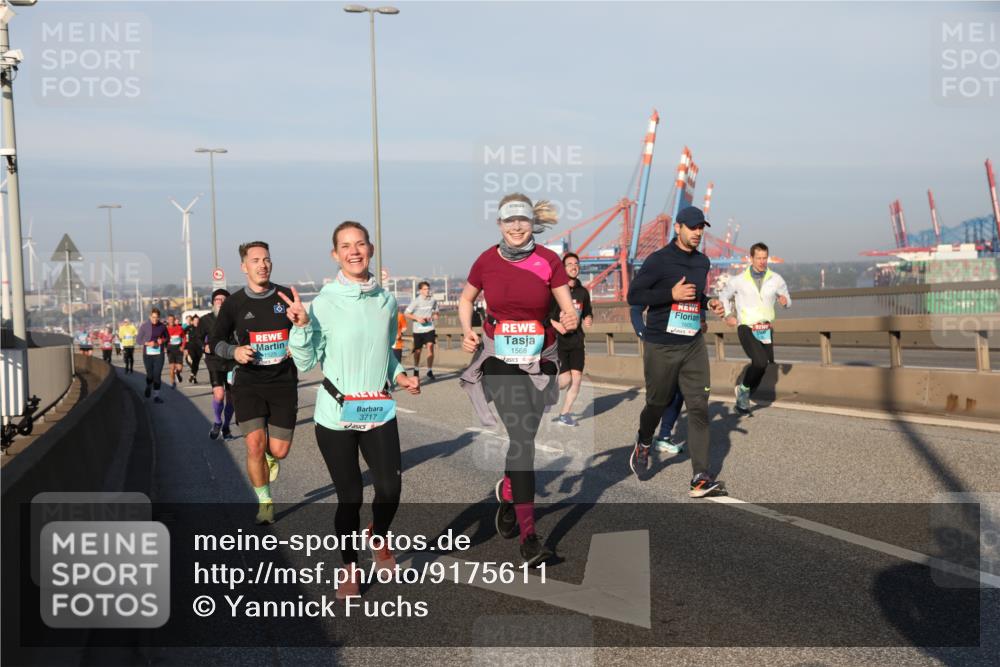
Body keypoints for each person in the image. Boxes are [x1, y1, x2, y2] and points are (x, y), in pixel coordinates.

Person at [287, 221, 420, 599]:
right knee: (350, 497)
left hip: (377, 409)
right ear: (335, 255)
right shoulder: (324, 303)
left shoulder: (386, 301)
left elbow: (382, 354)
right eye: (345, 246)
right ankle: (349, 566)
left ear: (371, 249)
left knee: (390, 489)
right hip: (335, 414)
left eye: (360, 243)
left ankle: (377, 534)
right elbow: (306, 360)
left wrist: (402, 375)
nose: (354, 251)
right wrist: (299, 326)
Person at [458, 194, 579, 567]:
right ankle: (530, 538)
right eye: (508, 221)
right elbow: (466, 300)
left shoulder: (548, 260)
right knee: (523, 437)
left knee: (524, 435)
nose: (515, 227)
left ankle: (509, 491)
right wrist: (467, 330)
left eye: (522, 221)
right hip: (499, 357)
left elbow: (566, 305)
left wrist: (571, 317)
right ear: (499, 224)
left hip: (540, 357)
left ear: (531, 223)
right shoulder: (486, 260)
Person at [626, 206, 725, 497]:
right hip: (661, 345)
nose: (697, 233)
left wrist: (708, 304)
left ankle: (700, 477)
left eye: (701, 228)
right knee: (656, 404)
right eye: (692, 227)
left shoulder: (702, 262)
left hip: (692, 344)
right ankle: (644, 442)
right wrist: (669, 295)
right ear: (678, 227)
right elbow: (635, 295)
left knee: (698, 407)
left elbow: (695, 294)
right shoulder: (658, 261)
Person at [209, 242, 299, 525]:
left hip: (283, 382)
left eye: (267, 259)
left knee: (279, 450)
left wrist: (300, 340)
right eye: (256, 260)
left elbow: (308, 330)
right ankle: (265, 502)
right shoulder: (235, 303)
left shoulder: (285, 296)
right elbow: (215, 342)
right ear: (244, 266)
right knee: (254, 445)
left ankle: (271, 458)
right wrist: (234, 352)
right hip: (248, 382)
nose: (262, 264)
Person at [718, 242, 791, 413]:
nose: (762, 261)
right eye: (758, 258)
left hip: (765, 329)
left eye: (765, 258)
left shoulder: (776, 279)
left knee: (763, 365)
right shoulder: (739, 280)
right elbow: (723, 296)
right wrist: (728, 315)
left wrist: (785, 302)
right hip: (746, 327)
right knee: (759, 362)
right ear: (751, 258)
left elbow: (788, 299)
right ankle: (743, 390)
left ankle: (743, 394)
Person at [630, 304, 685, 454]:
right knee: (660, 396)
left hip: (682, 344)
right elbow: (636, 308)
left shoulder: (687, 283)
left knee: (680, 391)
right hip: (658, 345)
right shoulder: (655, 281)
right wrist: (643, 333)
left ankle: (664, 437)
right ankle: (645, 435)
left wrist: (703, 319)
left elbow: (695, 303)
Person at [548, 252, 593, 426]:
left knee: (577, 379)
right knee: (565, 379)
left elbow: (587, 311)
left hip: (577, 341)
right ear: (562, 268)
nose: (574, 266)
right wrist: (555, 325)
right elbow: (545, 316)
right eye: (569, 264)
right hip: (559, 341)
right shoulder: (556, 292)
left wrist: (588, 318)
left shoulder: (583, 292)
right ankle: (544, 396)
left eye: (576, 264)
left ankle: (564, 414)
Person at [199, 290, 236, 440]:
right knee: (219, 394)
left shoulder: (234, 319)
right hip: (214, 360)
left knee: (231, 397)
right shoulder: (205, 320)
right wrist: (204, 346)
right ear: (213, 302)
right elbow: (196, 337)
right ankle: (217, 422)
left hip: (232, 360)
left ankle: (226, 427)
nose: (220, 301)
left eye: (223, 299)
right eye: (217, 299)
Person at [405, 281, 439, 381]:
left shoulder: (433, 300)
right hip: (418, 330)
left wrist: (434, 316)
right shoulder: (416, 301)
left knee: (430, 346)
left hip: (429, 328)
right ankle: (416, 369)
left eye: (428, 288)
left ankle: (429, 370)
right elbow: (406, 313)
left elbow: (436, 312)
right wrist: (417, 318)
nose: (427, 290)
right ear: (420, 291)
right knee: (418, 351)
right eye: (425, 289)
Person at [136, 308, 168, 403]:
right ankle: (148, 385)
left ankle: (156, 396)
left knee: (157, 375)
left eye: (157, 318)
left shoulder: (162, 326)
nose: (155, 319)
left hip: (159, 354)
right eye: (153, 317)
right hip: (148, 354)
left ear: (159, 318)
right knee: (150, 375)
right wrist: (147, 343)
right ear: (150, 317)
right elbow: (138, 340)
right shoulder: (144, 326)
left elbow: (167, 337)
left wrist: (162, 340)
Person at [165, 314, 186, 388]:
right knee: (172, 367)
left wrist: (183, 346)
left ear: (174, 320)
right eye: (169, 320)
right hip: (170, 349)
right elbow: (163, 339)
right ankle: (173, 382)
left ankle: (178, 373)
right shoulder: (166, 329)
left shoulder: (179, 328)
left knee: (179, 368)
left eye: (172, 319)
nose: (171, 321)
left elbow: (184, 338)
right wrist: (164, 346)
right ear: (167, 320)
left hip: (178, 349)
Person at [186, 314, 204, 383]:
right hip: (191, 347)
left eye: (197, 320)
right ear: (192, 321)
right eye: (195, 320)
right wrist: (185, 348)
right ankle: (193, 375)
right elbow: (183, 336)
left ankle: (193, 376)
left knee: (196, 363)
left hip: (199, 347)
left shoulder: (202, 328)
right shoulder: (189, 328)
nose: (196, 322)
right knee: (194, 360)